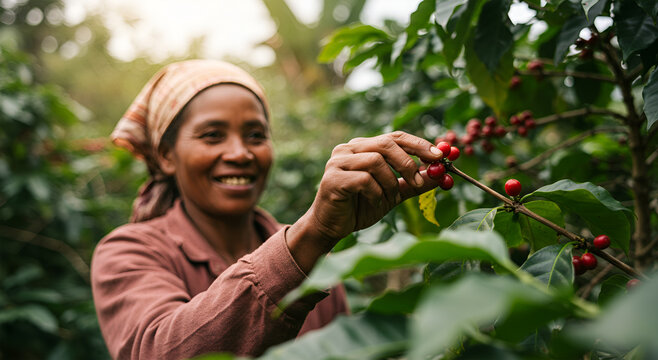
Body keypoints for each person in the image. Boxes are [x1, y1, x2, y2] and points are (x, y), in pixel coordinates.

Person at [91, 59, 444, 360]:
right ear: (166, 156)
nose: (241, 153)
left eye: (256, 136)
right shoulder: (128, 252)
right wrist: (312, 236)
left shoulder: (318, 257)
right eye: (212, 135)